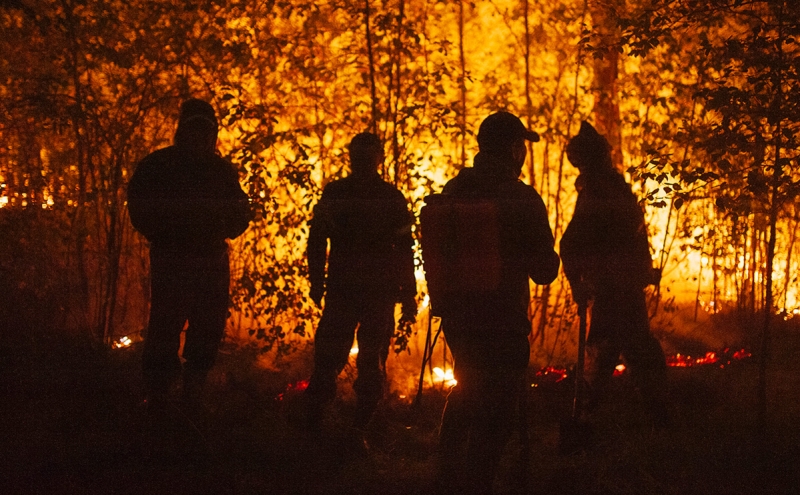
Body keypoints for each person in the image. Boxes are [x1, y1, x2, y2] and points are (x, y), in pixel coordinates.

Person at [432, 111, 560, 493]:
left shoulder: (455, 189)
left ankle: (445, 473)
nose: (523, 152)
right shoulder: (520, 197)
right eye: (520, 145)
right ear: (510, 149)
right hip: (504, 319)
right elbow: (544, 270)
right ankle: (478, 482)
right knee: (500, 407)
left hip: (458, 317)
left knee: (468, 385)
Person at [127, 98, 252, 415]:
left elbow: (240, 211)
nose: (200, 136)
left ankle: (191, 396)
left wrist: (225, 230)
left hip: (210, 258)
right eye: (193, 129)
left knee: (207, 326)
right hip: (174, 258)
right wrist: (164, 235)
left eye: (205, 130)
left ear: (212, 134)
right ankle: (159, 396)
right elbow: (139, 207)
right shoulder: (158, 166)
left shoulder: (220, 170)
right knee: (166, 325)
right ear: (182, 131)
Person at [304, 132, 417, 432]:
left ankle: (350, 429)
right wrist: (408, 295)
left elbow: (405, 248)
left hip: (363, 291)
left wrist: (408, 295)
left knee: (361, 361)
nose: (364, 162)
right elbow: (317, 241)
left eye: (368, 156)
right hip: (359, 291)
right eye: (361, 156)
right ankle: (335, 427)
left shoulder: (366, 196)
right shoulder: (375, 196)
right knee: (344, 359)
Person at [560, 121, 668, 428]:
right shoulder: (602, 192)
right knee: (625, 350)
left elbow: (627, 237)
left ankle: (591, 415)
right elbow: (573, 244)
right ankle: (594, 416)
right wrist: (577, 282)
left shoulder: (604, 191)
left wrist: (578, 282)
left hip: (618, 285)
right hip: (616, 288)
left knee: (617, 349)